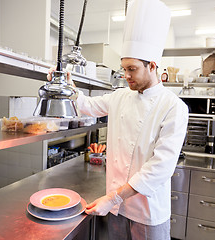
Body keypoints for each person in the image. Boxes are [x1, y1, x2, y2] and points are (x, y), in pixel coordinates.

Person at [48, 0, 188, 239]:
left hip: (147, 213)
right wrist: (67, 85)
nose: (126, 76)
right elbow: (87, 105)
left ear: (152, 66)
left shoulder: (173, 107)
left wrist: (111, 198)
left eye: (132, 69)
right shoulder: (121, 96)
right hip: (116, 208)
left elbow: (159, 169)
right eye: (124, 69)